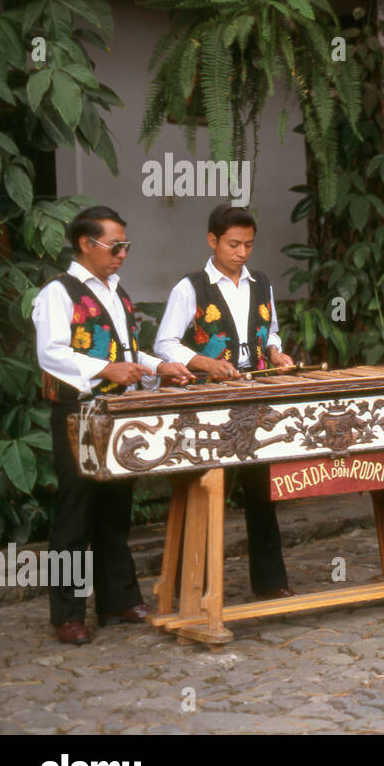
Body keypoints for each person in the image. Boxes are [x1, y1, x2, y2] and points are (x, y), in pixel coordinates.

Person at [33, 206, 194, 644]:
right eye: (115, 246)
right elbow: (51, 352)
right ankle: (67, 614)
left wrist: (164, 366)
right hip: (78, 414)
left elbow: (129, 352)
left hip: (118, 415)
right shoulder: (58, 292)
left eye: (127, 246)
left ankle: (118, 601)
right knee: (74, 514)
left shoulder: (116, 291)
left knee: (114, 511)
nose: (123, 253)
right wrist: (107, 369)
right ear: (86, 244)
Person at [155, 204, 295, 600]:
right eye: (234, 244)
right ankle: (189, 587)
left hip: (254, 397)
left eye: (249, 245)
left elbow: (271, 332)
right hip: (208, 402)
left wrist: (277, 352)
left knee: (262, 491)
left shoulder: (261, 282)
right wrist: (204, 363)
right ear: (212, 241)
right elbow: (164, 344)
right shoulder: (191, 286)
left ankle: (271, 583)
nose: (242, 253)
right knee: (203, 490)